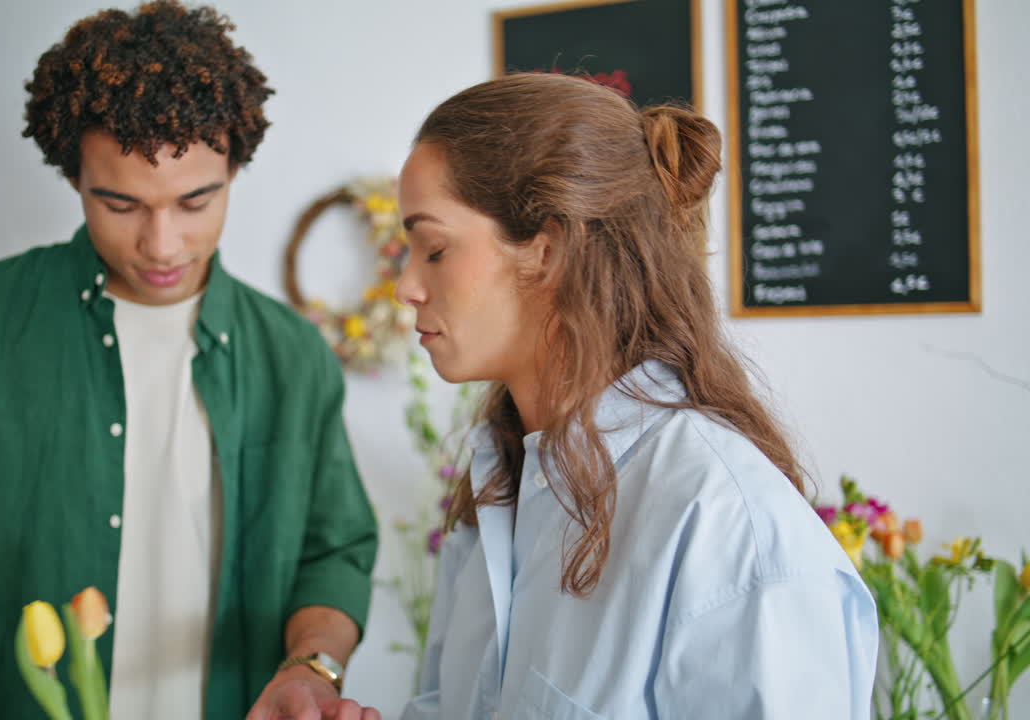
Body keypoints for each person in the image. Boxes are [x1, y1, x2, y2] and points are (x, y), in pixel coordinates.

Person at [0, 3, 378, 718]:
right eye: (120, 205)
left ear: (235, 168)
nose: (162, 244)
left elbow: (333, 553)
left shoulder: (293, 355)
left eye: (196, 202)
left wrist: (312, 666)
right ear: (74, 179)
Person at [348, 73, 878, 718]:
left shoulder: (730, 530)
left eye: (434, 249)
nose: (406, 287)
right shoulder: (499, 486)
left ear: (548, 251)